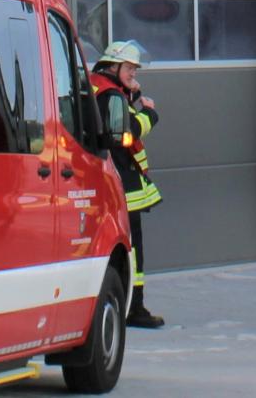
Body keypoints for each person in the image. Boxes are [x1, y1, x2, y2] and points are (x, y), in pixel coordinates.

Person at [91, 40, 165, 329]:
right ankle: (135, 307)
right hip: (122, 183)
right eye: (130, 69)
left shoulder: (99, 88)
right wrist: (150, 113)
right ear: (113, 66)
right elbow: (129, 131)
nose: (134, 73)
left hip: (111, 178)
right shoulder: (112, 96)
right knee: (133, 247)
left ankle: (127, 304)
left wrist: (132, 94)